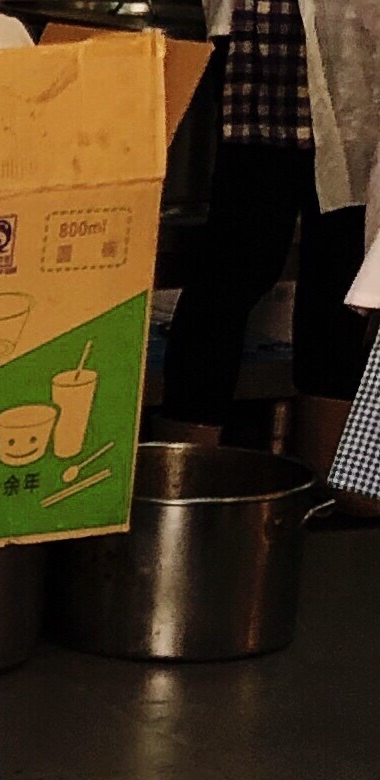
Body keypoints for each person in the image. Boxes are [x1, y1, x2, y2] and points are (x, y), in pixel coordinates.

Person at [162, 0, 378, 479]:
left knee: (339, 275)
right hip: (269, 39)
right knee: (237, 267)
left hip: (348, 52)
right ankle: (181, 476)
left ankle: (329, 481)